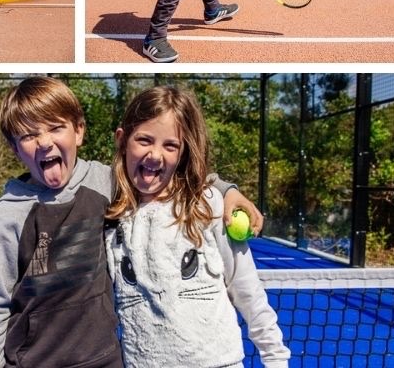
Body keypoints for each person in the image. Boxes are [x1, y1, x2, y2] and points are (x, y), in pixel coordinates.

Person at [0, 76, 264, 368]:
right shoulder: (7, 216)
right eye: (28, 135)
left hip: (104, 361)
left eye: (55, 128)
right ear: (14, 148)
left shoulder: (104, 182)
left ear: (79, 131)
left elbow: (167, 175)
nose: (45, 142)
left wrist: (227, 190)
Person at [105, 86, 291, 368]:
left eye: (170, 145)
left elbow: (247, 291)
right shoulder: (109, 210)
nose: (155, 155)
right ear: (122, 140)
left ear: (183, 152)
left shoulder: (211, 205)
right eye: (144, 140)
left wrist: (276, 358)